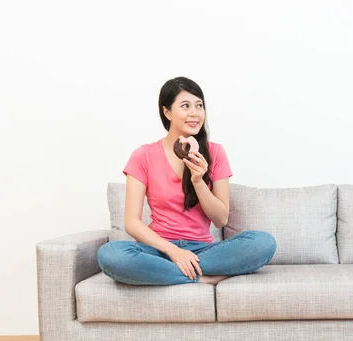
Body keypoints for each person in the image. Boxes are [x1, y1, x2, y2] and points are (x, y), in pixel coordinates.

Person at [97, 77, 277, 285]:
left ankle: (173, 273)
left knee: (263, 242)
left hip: (203, 250)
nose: (195, 113)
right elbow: (132, 223)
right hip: (157, 249)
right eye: (185, 106)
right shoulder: (143, 155)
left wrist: (199, 181)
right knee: (110, 255)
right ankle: (201, 278)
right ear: (167, 112)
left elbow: (221, 220)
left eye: (199, 105)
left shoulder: (215, 153)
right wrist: (173, 251)